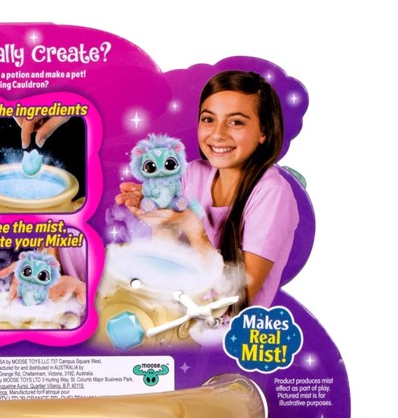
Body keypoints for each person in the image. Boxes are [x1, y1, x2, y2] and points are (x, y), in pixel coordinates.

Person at [116, 71, 297, 310]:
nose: (218, 134)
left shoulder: (272, 193)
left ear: (263, 131)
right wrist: (161, 219)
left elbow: (236, 302)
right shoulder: (193, 173)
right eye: (209, 119)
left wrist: (192, 226)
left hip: (229, 328)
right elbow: (168, 263)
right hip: (180, 315)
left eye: (236, 122)